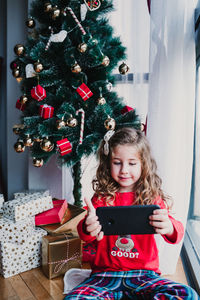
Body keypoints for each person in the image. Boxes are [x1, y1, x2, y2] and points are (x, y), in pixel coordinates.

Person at [64, 127, 199, 299]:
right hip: (104, 276)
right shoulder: (102, 198)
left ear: (143, 164)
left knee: (187, 295)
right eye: (117, 162)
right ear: (108, 163)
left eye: (132, 163)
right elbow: (85, 235)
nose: (124, 170)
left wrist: (169, 227)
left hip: (144, 277)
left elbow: (176, 234)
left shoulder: (151, 197)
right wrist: (88, 226)